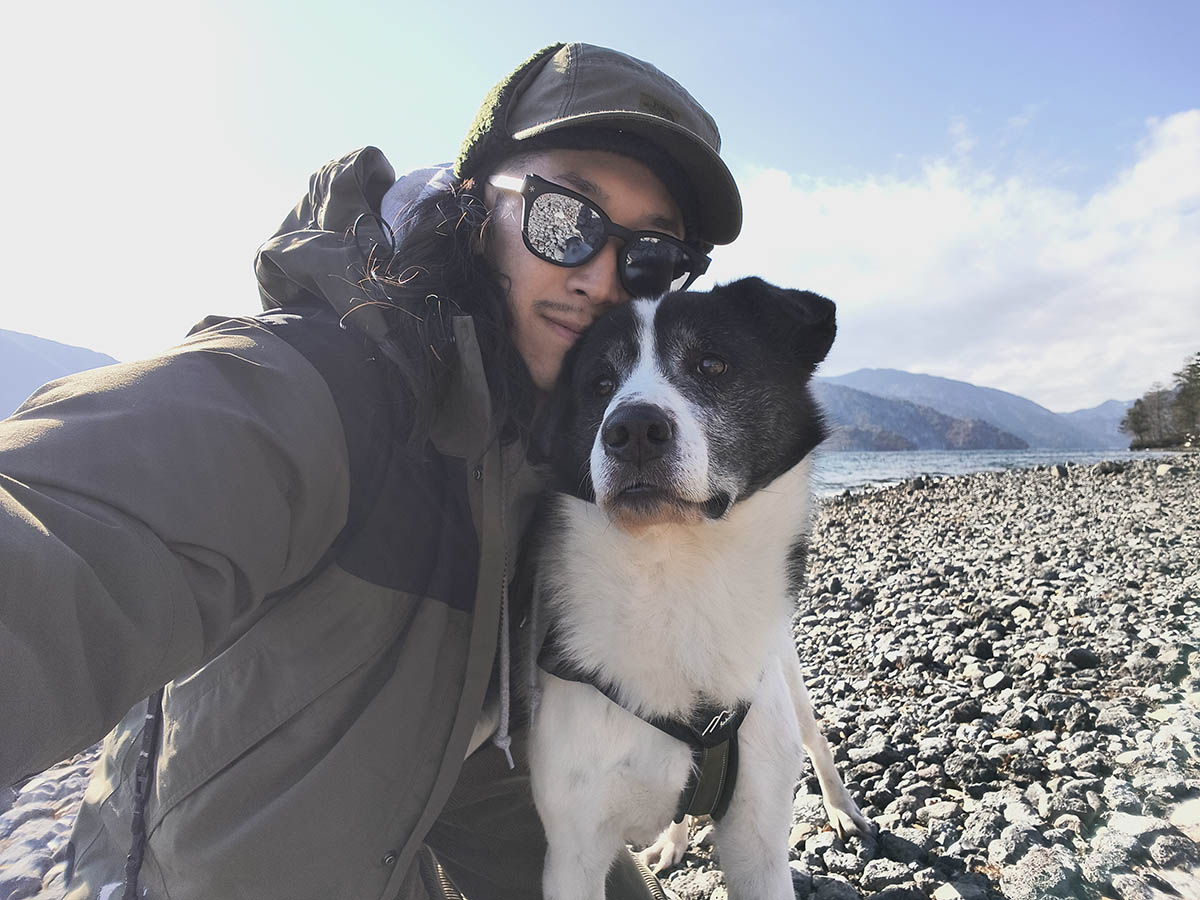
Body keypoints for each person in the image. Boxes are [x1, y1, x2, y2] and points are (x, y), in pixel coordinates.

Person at [0, 42, 742, 900]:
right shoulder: (318, 389)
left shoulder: (547, 453)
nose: (603, 279)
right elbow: (60, 531)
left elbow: (477, 732)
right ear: (475, 203)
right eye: (565, 219)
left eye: (651, 256)